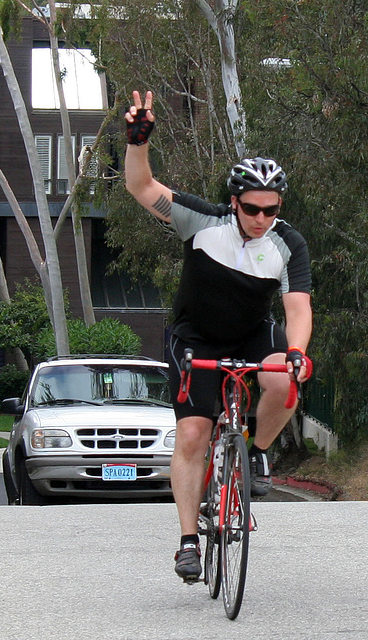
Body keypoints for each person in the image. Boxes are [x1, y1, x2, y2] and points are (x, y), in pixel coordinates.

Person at [124, 90, 313, 582]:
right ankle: (188, 541)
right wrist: (138, 141)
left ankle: (256, 454)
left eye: (271, 210)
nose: (261, 219)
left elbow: (298, 309)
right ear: (234, 203)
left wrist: (296, 352)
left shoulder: (287, 243)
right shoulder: (202, 221)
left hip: (252, 334)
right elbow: (141, 187)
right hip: (196, 339)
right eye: (252, 209)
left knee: (285, 382)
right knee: (193, 432)